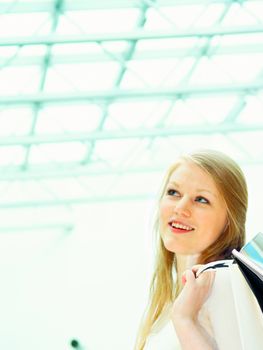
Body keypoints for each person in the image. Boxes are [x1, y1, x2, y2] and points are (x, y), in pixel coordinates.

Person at [135, 149, 248, 350]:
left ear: (229, 222)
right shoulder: (174, 299)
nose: (180, 207)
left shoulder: (223, 284)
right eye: (173, 193)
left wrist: (185, 321)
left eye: (201, 199)